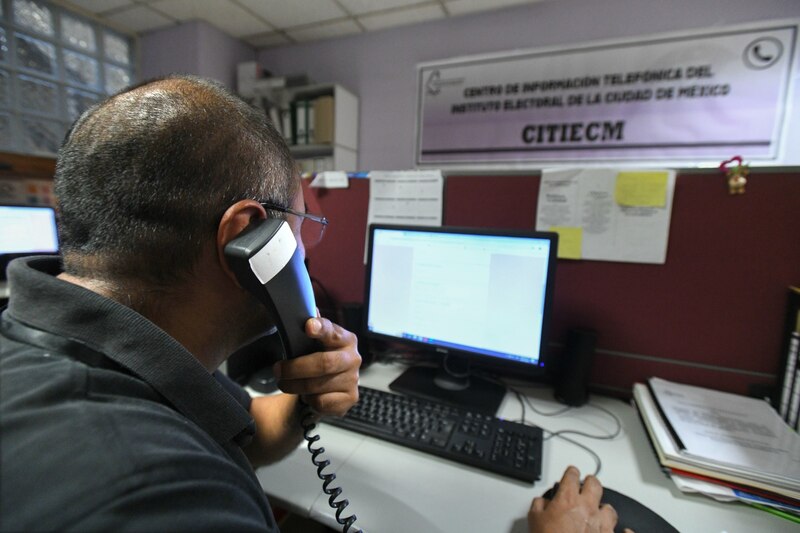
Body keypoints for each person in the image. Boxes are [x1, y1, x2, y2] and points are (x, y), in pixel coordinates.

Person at [0, 75, 617, 532]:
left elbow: (247, 435)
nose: (304, 250)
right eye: (301, 223)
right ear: (248, 235)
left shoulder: (65, 352)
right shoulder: (162, 495)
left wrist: (302, 402)